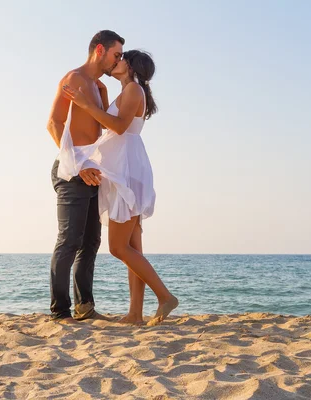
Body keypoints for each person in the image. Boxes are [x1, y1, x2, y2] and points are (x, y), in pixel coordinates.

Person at [62, 50, 178, 326]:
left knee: (118, 247)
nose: (117, 61)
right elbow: (111, 124)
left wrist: (86, 104)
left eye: (122, 57)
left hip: (126, 170)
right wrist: (99, 95)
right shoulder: (128, 91)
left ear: (131, 66)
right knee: (133, 246)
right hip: (124, 167)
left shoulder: (135, 89)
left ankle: (165, 297)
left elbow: (118, 125)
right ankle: (135, 314)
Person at [46, 30, 124, 323]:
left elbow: (103, 130)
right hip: (71, 170)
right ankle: (60, 312)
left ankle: (85, 307)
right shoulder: (74, 79)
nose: (118, 60)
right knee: (69, 241)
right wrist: (78, 165)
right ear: (100, 50)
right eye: (116, 55)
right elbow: (53, 122)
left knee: (91, 241)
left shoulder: (98, 87)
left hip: (93, 171)